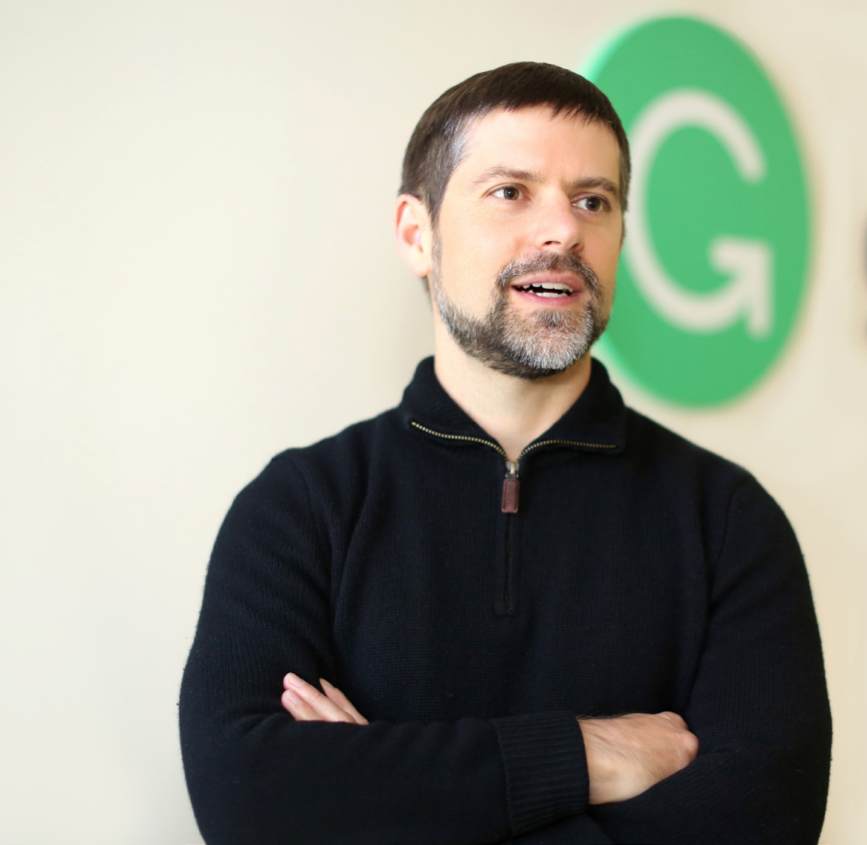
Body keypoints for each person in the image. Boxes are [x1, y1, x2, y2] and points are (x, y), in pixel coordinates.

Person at [179, 62, 831, 845]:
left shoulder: (725, 519)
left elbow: (764, 821)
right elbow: (251, 804)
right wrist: (581, 755)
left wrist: (376, 791)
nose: (561, 231)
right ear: (417, 235)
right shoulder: (302, 506)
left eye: (593, 200)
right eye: (510, 192)